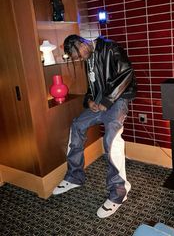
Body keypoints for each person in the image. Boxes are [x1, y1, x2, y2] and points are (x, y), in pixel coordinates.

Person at [53, 34, 137, 218]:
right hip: (101, 101)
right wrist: (89, 100)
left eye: (79, 55)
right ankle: (75, 176)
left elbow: (127, 74)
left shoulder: (111, 48)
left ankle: (118, 193)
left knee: (111, 140)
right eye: (77, 58)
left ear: (81, 43)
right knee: (76, 125)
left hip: (118, 99)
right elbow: (92, 87)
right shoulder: (88, 58)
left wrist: (107, 101)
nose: (80, 58)